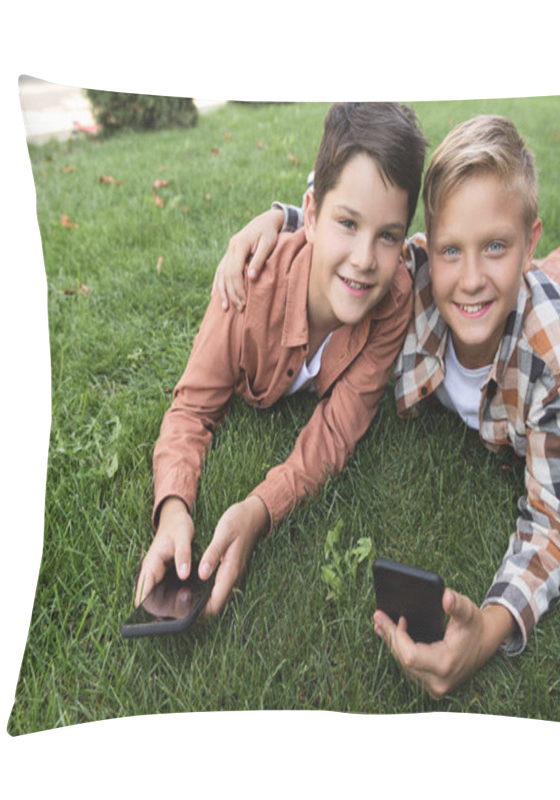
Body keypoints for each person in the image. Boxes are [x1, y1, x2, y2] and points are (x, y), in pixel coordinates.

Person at [213, 114, 560, 699]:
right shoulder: (417, 270)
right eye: (452, 249)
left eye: (497, 246)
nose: (471, 279)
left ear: (524, 241)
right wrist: (280, 219)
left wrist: (491, 628)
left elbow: (553, 523)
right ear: (427, 246)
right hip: (532, 276)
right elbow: (355, 230)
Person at [135, 102, 428, 617]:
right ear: (310, 216)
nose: (364, 259)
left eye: (387, 235)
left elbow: (337, 431)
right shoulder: (246, 288)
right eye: (347, 223)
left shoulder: (394, 297)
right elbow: (192, 410)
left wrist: (259, 510)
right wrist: (173, 512)